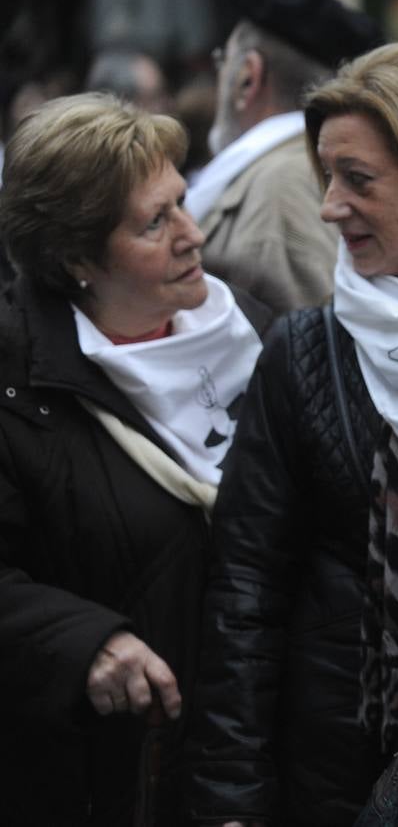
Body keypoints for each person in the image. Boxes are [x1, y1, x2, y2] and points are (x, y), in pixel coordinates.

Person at [185, 43, 398, 827]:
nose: (331, 206)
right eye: (326, 178)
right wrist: (232, 799)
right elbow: (245, 596)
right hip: (337, 778)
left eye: (358, 180)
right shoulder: (303, 351)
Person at [0, 93, 268, 825]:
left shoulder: (251, 327)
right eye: (155, 223)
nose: (193, 234)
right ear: (78, 260)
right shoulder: (17, 377)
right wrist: (84, 642)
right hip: (103, 779)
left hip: (260, 757)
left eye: (182, 202)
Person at [186, 0, 383, 313]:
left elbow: (326, 348)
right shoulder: (295, 170)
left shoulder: (283, 185)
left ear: (248, 78)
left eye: (223, 61)